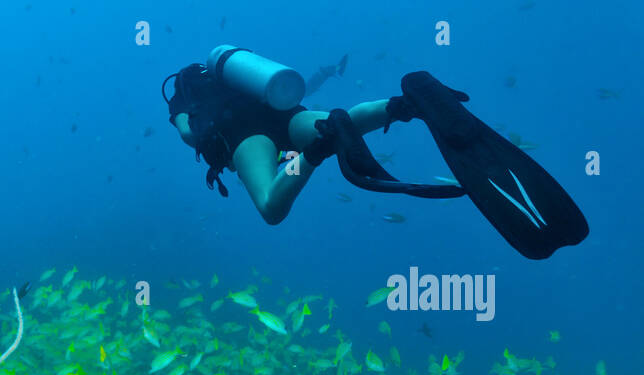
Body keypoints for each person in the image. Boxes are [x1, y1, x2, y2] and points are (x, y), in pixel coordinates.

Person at [164, 48, 587, 259]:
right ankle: (404, 105)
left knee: (271, 206)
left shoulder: (183, 97)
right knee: (337, 118)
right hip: (281, 111)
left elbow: (187, 135)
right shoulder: (239, 76)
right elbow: (284, 88)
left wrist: (193, 127)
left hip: (243, 136)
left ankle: (315, 152)